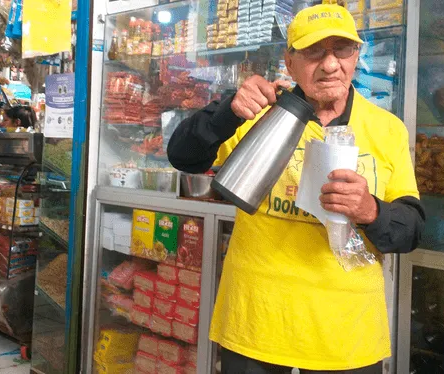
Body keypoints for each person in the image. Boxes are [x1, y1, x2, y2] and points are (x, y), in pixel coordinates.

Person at [168, 4, 425, 373]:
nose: (330, 64)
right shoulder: (260, 113)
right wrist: (228, 111)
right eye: (314, 52)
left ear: (357, 56)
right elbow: (182, 155)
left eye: (342, 50)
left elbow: (410, 230)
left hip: (347, 335)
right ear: (289, 63)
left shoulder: (387, 129)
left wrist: (370, 210)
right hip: (256, 324)